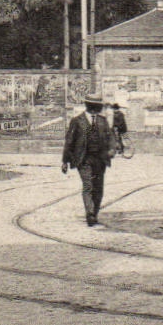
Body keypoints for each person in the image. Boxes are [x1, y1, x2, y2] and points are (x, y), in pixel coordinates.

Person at [62, 93, 115, 226]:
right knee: (88, 185)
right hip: (83, 159)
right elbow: (69, 141)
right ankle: (90, 214)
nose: (97, 108)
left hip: (100, 159)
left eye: (98, 106)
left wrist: (112, 149)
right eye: (95, 106)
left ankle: (94, 212)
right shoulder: (77, 121)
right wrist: (65, 161)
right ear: (89, 106)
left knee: (98, 188)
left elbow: (110, 138)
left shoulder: (103, 121)